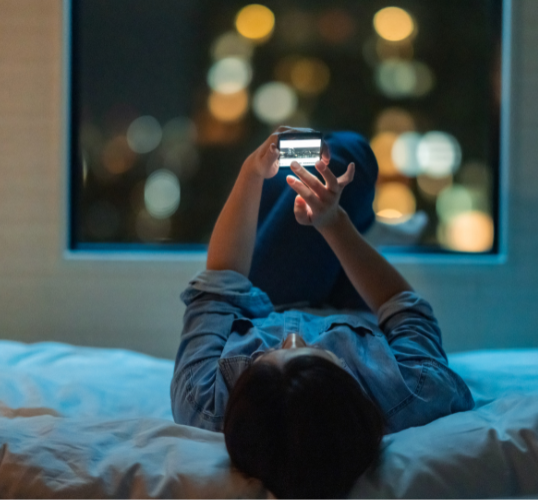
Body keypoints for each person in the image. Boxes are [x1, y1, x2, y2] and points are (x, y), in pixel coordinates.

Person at [171, 127, 474, 498]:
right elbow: (401, 306)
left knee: (323, 165)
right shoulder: (415, 393)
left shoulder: (204, 403)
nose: (294, 336)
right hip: (359, 308)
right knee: (350, 154)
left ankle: (362, 224)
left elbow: (222, 282)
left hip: (271, 298)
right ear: (350, 390)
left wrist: (250, 172)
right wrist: (334, 223)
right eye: (314, 352)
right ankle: (363, 227)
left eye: (270, 353)